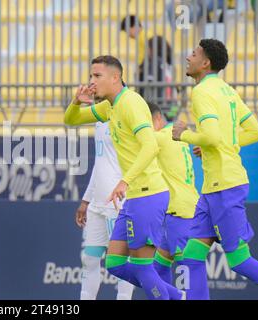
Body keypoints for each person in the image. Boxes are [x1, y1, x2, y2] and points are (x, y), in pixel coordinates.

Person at [64, 55, 184, 300]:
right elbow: (71, 120)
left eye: (97, 76)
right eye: (91, 76)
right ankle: (179, 297)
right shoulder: (110, 106)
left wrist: (124, 181)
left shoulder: (131, 103)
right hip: (133, 199)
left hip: (147, 195)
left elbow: (150, 146)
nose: (91, 82)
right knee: (115, 264)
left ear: (115, 77)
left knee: (142, 269)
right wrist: (76, 102)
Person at [172, 39, 258, 299]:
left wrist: (184, 135)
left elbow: (209, 136)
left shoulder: (200, 92)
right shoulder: (227, 90)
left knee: (240, 261)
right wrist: (216, 144)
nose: (189, 57)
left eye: (194, 54)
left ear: (205, 63)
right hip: (214, 189)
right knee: (191, 257)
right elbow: (253, 130)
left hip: (225, 186)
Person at [73, 116, 135, 300]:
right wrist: (86, 200)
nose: (94, 88)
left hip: (116, 203)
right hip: (97, 205)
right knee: (89, 259)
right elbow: (99, 164)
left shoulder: (125, 117)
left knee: (120, 262)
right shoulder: (99, 122)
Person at [146, 101, 199, 286]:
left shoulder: (160, 137)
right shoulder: (174, 134)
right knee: (159, 267)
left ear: (158, 118)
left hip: (179, 211)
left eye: (146, 123)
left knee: (186, 269)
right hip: (180, 207)